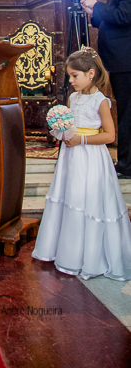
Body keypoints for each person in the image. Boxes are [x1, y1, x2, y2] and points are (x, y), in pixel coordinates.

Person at [32, 47, 131, 280]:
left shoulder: (101, 101)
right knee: (71, 199)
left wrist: (82, 139)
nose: (71, 80)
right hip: (71, 156)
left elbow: (109, 136)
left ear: (91, 74)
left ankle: (91, 256)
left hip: (92, 158)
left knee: (89, 202)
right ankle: (68, 253)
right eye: (69, 76)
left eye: (75, 75)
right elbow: (70, 126)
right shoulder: (72, 98)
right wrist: (61, 131)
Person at [81, 0, 131, 178]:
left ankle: (126, 166)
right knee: (126, 113)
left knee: (127, 114)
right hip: (120, 62)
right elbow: (112, 18)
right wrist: (94, 12)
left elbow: (123, 16)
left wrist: (97, 5)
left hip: (126, 62)